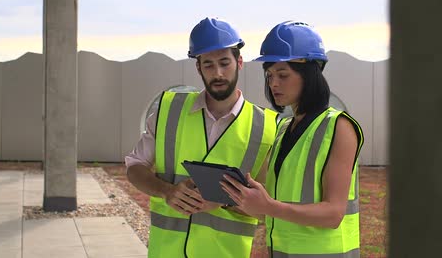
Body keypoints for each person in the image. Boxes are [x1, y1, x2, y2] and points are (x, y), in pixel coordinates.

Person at [125, 17, 277, 258]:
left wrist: (226, 201)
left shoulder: (267, 127)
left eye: (224, 63)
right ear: (198, 68)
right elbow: (134, 167)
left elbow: (270, 208)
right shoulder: (168, 110)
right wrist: (167, 191)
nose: (217, 73)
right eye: (208, 64)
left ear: (239, 62)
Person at [221, 21, 364, 257]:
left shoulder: (339, 127)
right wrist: (234, 200)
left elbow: (333, 214)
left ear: (309, 75)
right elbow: (275, 209)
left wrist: (268, 205)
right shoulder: (283, 129)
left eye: (283, 75)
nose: (273, 83)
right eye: (269, 75)